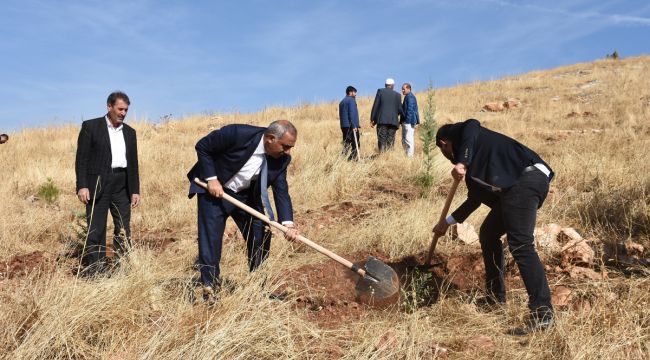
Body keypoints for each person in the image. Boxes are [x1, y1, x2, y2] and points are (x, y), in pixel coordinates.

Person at [432, 118, 555, 335]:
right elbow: (474, 200)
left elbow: (472, 123)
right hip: (513, 189)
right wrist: (446, 223)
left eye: (445, 152)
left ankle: (543, 313)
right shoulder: (475, 167)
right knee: (488, 233)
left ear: (444, 143)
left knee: (521, 244)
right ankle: (494, 298)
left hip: (525, 178)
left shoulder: (464, 134)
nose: (449, 158)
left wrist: (461, 162)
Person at [187, 120, 301, 302]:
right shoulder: (238, 133)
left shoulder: (282, 159)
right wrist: (212, 179)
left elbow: (281, 190)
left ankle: (258, 288)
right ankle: (210, 290)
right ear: (271, 139)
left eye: (291, 147)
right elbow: (203, 146)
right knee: (211, 240)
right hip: (215, 191)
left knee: (261, 233)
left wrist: (288, 223)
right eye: (285, 146)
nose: (288, 151)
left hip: (246, 196)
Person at [75, 91, 140, 277]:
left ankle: (123, 270)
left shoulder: (130, 132)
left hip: (122, 184)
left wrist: (135, 190)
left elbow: (133, 163)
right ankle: (96, 271)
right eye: (120, 109)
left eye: (126, 110)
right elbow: (82, 159)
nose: (123, 113)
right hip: (97, 183)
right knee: (96, 228)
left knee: (123, 228)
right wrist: (82, 185)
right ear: (109, 107)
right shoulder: (91, 127)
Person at [370, 78, 403, 152]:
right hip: (393, 121)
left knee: (382, 139)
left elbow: (376, 106)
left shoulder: (380, 91)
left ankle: (382, 156)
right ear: (393, 86)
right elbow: (400, 109)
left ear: (385, 85)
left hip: (382, 120)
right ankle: (389, 157)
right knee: (391, 140)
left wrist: (373, 119)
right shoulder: (398, 95)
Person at [339, 85, 360, 161]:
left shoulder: (342, 102)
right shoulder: (351, 100)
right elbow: (352, 113)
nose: (356, 94)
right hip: (351, 126)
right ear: (350, 92)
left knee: (346, 144)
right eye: (354, 92)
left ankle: (341, 159)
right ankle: (351, 160)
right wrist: (354, 125)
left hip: (344, 126)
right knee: (356, 144)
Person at [400, 83, 420, 157]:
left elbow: (410, 110)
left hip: (409, 122)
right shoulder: (408, 97)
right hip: (407, 122)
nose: (402, 90)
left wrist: (407, 121)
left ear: (408, 89)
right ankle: (407, 156)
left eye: (403, 89)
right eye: (402, 89)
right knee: (405, 140)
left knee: (408, 140)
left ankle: (410, 157)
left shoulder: (410, 97)